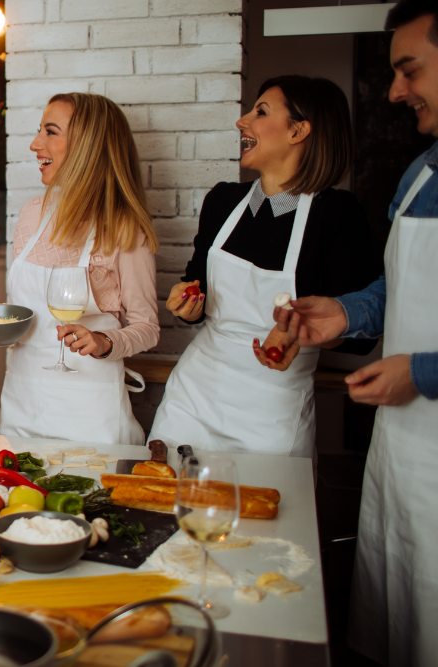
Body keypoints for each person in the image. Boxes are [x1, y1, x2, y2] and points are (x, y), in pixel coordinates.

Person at [284, 3, 438, 662]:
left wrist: (424, 372)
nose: (396, 91)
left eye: (410, 70)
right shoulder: (422, 171)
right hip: (402, 453)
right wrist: (352, 311)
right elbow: (402, 284)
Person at [148, 75, 382, 457]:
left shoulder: (338, 215)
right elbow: (197, 286)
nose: (242, 121)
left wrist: (306, 331)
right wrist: (186, 302)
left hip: (273, 411)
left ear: (299, 130)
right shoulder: (223, 201)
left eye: (260, 112)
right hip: (194, 396)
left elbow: (362, 336)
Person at [0, 93, 158, 444]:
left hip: (90, 412)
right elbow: (29, 314)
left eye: (51, 132)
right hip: (23, 401)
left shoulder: (124, 228)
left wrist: (103, 341)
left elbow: (147, 327)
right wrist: (1, 321)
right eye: (40, 131)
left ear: (88, 145)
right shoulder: (31, 215)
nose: (36, 144)